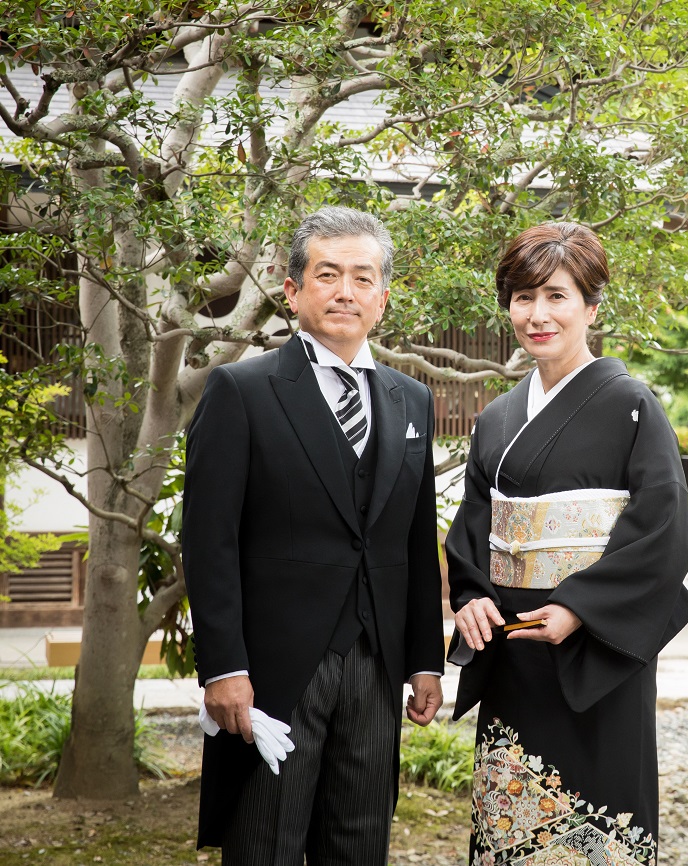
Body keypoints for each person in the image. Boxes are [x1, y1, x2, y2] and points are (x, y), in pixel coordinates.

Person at [183, 206, 445, 864]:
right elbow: (208, 541)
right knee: (268, 841)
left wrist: (423, 660)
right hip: (275, 669)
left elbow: (413, 540)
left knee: (359, 842)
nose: (345, 291)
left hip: (377, 668)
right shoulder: (242, 391)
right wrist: (224, 667)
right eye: (327, 274)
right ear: (293, 290)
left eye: (363, 277)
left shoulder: (410, 400)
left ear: (383, 298)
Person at [444, 222, 688, 866]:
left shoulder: (632, 404)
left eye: (557, 296)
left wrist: (578, 607)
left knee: (599, 817)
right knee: (513, 825)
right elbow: (476, 522)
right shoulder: (499, 415)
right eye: (524, 297)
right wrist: (471, 593)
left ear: (591, 305)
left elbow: (662, 528)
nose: (538, 314)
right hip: (513, 646)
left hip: (595, 647)